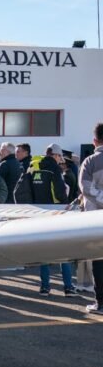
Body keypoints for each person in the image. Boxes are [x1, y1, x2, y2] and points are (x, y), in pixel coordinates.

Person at [15, 143, 75, 295]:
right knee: (63, 251)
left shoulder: (33, 165)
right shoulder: (53, 167)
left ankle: (45, 287)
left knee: (43, 251)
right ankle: (68, 287)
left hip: (38, 214)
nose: (60, 159)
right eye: (59, 156)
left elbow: (20, 190)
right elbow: (60, 191)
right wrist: (64, 203)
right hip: (56, 213)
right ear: (54, 155)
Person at [79, 123, 103, 314]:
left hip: (96, 221)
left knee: (99, 263)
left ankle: (101, 303)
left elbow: (86, 189)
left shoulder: (89, 162)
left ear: (95, 141)